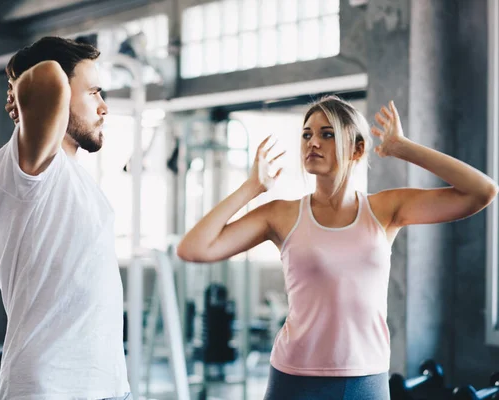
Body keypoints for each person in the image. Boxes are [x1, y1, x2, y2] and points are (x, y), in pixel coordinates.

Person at [176, 95, 498, 400]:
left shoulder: (385, 210)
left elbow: (481, 191)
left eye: (327, 134)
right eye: (307, 134)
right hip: (294, 379)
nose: (313, 142)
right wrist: (251, 188)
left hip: (366, 380)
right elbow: (193, 248)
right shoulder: (281, 214)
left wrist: (404, 148)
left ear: (357, 149)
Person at [0, 36, 131, 400]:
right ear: (62, 96)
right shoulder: (30, 168)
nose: (103, 107)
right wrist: (23, 88)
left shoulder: (72, 174)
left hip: (104, 385)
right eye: (93, 92)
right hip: (51, 388)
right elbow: (48, 75)